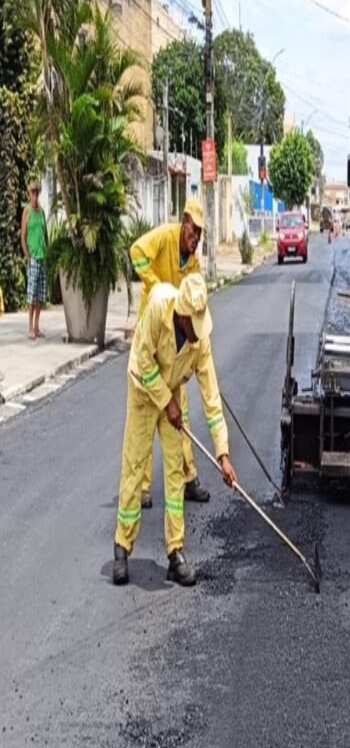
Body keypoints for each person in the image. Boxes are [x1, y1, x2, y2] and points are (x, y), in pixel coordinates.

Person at [113, 273, 237, 587]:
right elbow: (142, 359)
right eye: (192, 326)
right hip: (143, 391)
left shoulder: (201, 344)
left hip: (172, 399)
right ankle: (122, 548)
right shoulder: (157, 306)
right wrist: (166, 401)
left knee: (175, 473)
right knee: (135, 464)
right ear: (181, 316)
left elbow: (211, 398)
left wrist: (222, 454)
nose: (197, 334)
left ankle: (175, 552)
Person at [130, 199, 210, 508]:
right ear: (185, 222)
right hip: (152, 337)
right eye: (195, 232)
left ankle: (188, 477)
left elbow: (197, 298)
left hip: (175, 343)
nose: (197, 239)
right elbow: (137, 252)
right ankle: (143, 487)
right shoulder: (164, 236)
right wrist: (155, 285)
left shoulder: (193, 262)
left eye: (201, 235)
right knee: (151, 409)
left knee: (181, 412)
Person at [20, 181, 46, 339]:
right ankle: (30, 327)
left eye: (37, 191)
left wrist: (47, 250)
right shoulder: (27, 211)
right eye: (32, 192)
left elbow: (45, 233)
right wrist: (27, 255)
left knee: (40, 295)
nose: (35, 194)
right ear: (29, 193)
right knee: (31, 295)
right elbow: (22, 236)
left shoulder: (41, 212)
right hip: (33, 258)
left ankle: (37, 326)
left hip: (42, 256)